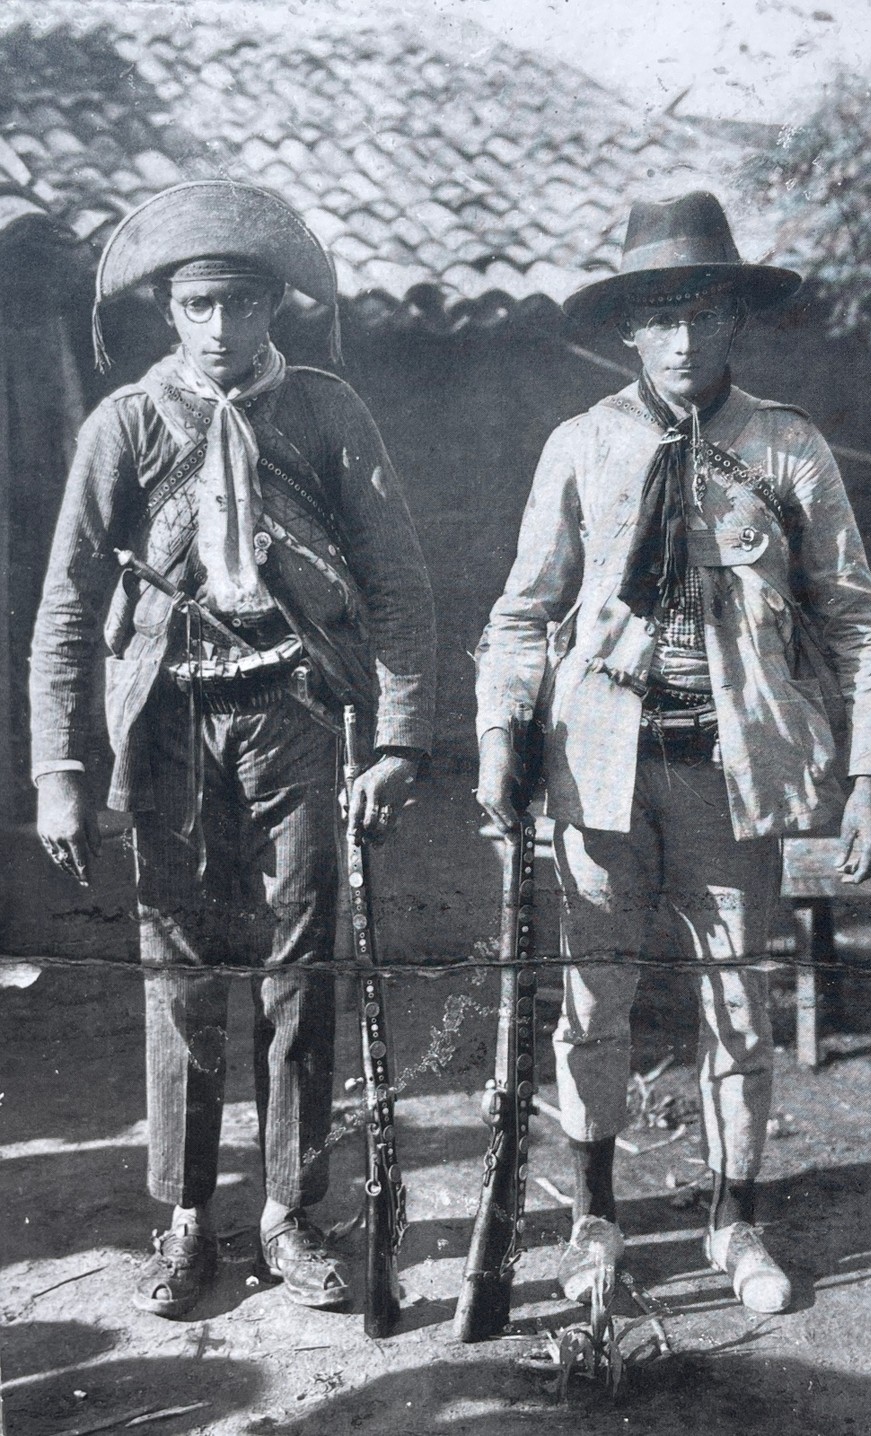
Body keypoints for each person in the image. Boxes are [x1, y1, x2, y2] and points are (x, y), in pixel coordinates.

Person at [475, 192, 871, 1314]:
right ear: (628, 328)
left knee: (738, 1007)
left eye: (705, 314)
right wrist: (498, 732)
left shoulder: (786, 444)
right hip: (602, 769)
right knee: (592, 1001)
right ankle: (596, 1217)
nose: (683, 339)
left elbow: (853, 617)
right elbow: (521, 615)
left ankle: (733, 1216)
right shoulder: (582, 446)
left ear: (736, 324)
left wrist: (867, 773)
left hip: (731, 769)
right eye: (660, 316)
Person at [30, 181, 436, 1318]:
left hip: (296, 714)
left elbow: (400, 580)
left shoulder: (324, 413)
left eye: (243, 305)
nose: (220, 329)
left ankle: (293, 1215)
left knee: (303, 964)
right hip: (166, 727)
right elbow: (67, 602)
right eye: (200, 304)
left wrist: (399, 735)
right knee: (179, 970)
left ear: (275, 309)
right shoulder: (123, 425)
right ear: (169, 307)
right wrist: (60, 769)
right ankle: (184, 1219)